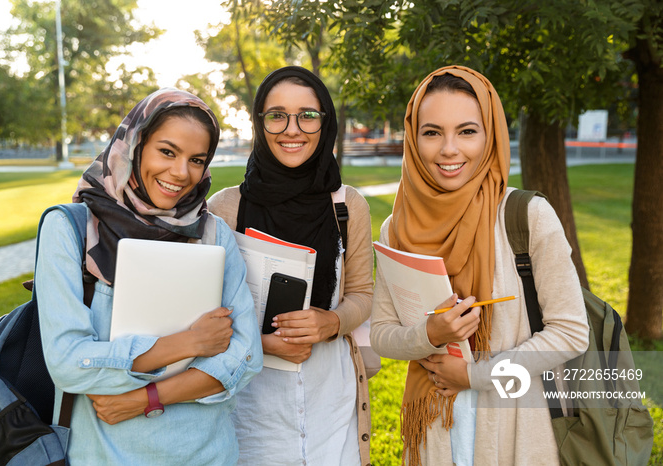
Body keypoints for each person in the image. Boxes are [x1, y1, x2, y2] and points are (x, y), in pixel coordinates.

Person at [369, 65, 589, 466]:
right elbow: (382, 334)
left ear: (490, 135)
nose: (449, 149)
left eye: (467, 131)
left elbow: (571, 333)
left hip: (517, 429)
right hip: (434, 433)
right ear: (413, 139)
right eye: (432, 132)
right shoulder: (395, 227)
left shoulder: (527, 216)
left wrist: (472, 376)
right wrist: (430, 334)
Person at [35, 88, 263, 465]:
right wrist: (189, 343)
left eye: (197, 159)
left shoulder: (213, 234)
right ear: (136, 144)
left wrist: (143, 399)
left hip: (208, 454)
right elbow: (68, 363)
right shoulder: (71, 229)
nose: (180, 173)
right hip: (105, 454)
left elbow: (246, 356)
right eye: (167, 152)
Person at [208, 66, 374, 465]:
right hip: (251, 408)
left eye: (308, 115)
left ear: (326, 122)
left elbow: (363, 296)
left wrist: (331, 322)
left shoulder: (347, 206)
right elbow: (205, 317)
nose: (292, 129)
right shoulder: (226, 209)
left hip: (331, 402)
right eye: (277, 115)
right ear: (259, 123)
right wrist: (261, 343)